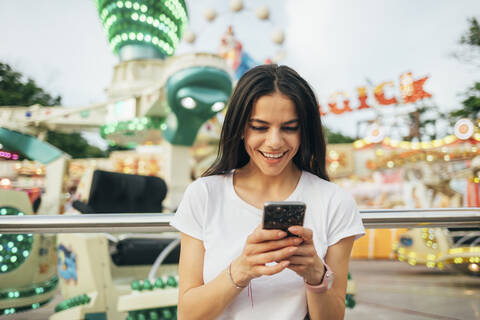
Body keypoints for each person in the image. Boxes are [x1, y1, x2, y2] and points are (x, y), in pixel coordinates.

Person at [170, 64, 365, 320]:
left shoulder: (334, 201)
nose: (274, 141)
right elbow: (187, 315)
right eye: (260, 127)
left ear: (304, 130)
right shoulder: (204, 195)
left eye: (289, 127)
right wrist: (242, 269)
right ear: (240, 128)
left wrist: (315, 275)